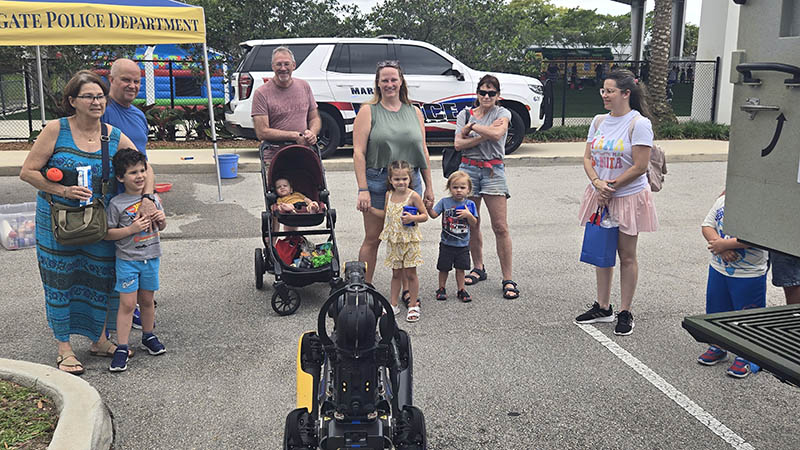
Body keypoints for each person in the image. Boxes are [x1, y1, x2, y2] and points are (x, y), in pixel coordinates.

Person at [19, 70, 138, 375]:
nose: (96, 101)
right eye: (88, 96)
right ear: (72, 101)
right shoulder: (55, 130)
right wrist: (63, 189)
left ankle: (99, 339)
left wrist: (147, 198)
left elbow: (141, 165)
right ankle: (64, 348)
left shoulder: (111, 135)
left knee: (100, 278)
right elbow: (28, 172)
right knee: (62, 281)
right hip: (57, 221)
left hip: (98, 222)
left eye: (100, 96)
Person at [574, 69, 658, 336]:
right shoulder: (598, 121)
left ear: (626, 93)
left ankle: (625, 310)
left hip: (627, 196)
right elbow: (587, 157)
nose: (605, 95)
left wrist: (611, 186)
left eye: (609, 91)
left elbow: (640, 165)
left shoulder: (639, 123)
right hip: (601, 195)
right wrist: (598, 183)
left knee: (627, 255)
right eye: (603, 90)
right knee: (602, 252)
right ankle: (602, 306)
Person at [353, 60, 435, 297]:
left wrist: (429, 186)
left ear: (401, 81)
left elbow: (423, 150)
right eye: (384, 80)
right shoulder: (369, 111)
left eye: (393, 79)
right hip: (378, 180)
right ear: (378, 84)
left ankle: (407, 289)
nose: (390, 84)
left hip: (410, 183)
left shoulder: (414, 112)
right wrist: (363, 189)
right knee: (372, 238)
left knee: (406, 238)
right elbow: (358, 152)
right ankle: (363, 288)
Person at [102, 57, 159, 331]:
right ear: (111, 80)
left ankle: (134, 307)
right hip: (108, 199)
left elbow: (145, 165)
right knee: (111, 256)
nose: (132, 85)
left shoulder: (138, 115)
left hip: (135, 198)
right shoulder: (102, 110)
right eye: (126, 79)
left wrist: (147, 198)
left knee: (137, 252)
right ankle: (115, 313)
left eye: (137, 80)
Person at [453, 74, 519, 300]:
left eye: (491, 93)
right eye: (483, 92)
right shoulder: (464, 114)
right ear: (477, 94)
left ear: (498, 96)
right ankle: (478, 267)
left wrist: (473, 128)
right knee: (472, 222)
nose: (487, 96)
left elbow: (498, 133)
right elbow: (458, 144)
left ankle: (508, 278)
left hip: (493, 171)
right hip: (468, 171)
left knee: (500, 226)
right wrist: (484, 132)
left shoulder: (503, 113)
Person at [105, 148, 167, 372]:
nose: (140, 176)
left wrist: (161, 220)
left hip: (150, 258)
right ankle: (122, 346)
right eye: (133, 172)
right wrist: (132, 228)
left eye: (142, 171)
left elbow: (162, 226)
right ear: (121, 177)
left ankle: (148, 336)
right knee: (128, 304)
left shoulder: (152, 199)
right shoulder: (116, 204)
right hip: (128, 260)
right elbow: (108, 233)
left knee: (148, 301)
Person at [697, 191, 767, 378]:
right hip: (718, 268)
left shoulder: (761, 204)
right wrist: (720, 248)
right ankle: (719, 345)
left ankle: (750, 355)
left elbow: (759, 236)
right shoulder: (723, 200)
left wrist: (726, 245)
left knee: (748, 314)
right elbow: (707, 225)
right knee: (717, 308)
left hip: (749, 273)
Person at [368, 161, 428, 322]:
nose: (401, 182)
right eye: (397, 179)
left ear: (410, 179)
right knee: (395, 274)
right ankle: (393, 304)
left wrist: (413, 217)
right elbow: (386, 214)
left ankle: (413, 305)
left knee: (411, 274)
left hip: (409, 241)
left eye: (404, 179)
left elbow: (425, 215)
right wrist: (371, 209)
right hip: (394, 241)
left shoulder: (413, 196)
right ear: (390, 179)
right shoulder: (389, 194)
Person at [251, 46, 321, 171]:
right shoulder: (261, 93)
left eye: (286, 64)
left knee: (309, 189)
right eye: (279, 64)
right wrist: (294, 136)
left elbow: (314, 117)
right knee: (282, 190)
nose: (283, 68)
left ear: (293, 65)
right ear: (273, 67)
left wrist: (312, 133)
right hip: (275, 158)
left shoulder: (304, 86)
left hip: (304, 154)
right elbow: (262, 132)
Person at [429, 171, 478, 303]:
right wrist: (428, 207)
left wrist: (468, 215)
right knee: (443, 268)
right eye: (455, 187)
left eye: (462, 187)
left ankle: (461, 289)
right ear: (449, 188)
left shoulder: (470, 205)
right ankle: (441, 288)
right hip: (446, 243)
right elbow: (433, 214)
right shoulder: (445, 202)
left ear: (468, 189)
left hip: (462, 244)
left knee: (460, 268)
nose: (458, 190)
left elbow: (474, 223)